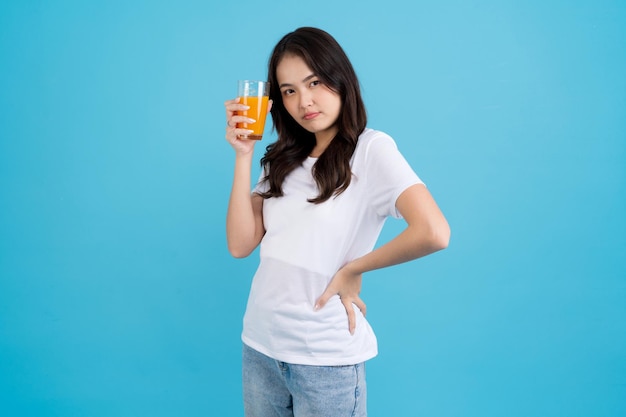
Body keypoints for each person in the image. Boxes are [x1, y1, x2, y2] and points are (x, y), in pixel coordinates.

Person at [224, 27, 450, 417]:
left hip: (324, 360)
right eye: (289, 90)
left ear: (340, 79)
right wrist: (244, 154)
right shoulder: (283, 156)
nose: (304, 101)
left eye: (314, 82)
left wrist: (354, 269)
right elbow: (240, 245)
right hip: (260, 347)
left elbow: (434, 232)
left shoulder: (371, 150)